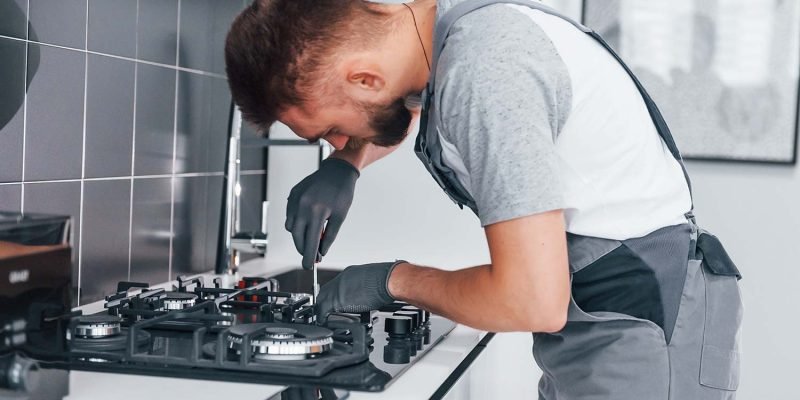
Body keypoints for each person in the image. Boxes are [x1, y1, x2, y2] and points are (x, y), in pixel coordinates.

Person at [224, 0, 743, 398]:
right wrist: (347, 163)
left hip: (644, 331)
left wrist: (390, 280)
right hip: (602, 321)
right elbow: (402, 106)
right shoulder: (443, 30)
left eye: (332, 131)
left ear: (364, 77)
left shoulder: (484, 69)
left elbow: (529, 299)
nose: (335, 143)